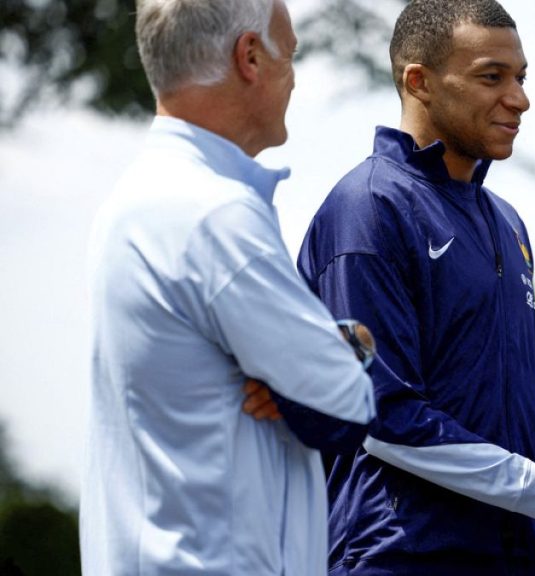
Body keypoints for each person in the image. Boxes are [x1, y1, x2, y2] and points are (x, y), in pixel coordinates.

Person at [266, 1, 535, 574]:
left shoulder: (507, 222)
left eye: (520, 78)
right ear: (419, 81)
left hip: (509, 557)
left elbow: (503, 414)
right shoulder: (368, 208)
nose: (518, 98)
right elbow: (382, 418)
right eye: (491, 76)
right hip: (398, 556)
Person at [80, 0, 376, 573]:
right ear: (249, 57)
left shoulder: (137, 201)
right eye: (289, 55)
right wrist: (348, 346)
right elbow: (345, 404)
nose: (293, 77)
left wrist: (316, 354)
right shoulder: (217, 215)